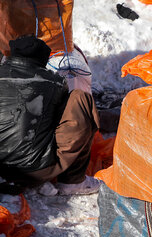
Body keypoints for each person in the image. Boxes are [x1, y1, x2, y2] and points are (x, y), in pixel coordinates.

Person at [0, 35, 101, 195]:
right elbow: (60, 121)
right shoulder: (53, 81)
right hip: (37, 170)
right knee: (81, 100)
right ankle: (72, 181)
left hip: (2, 169)